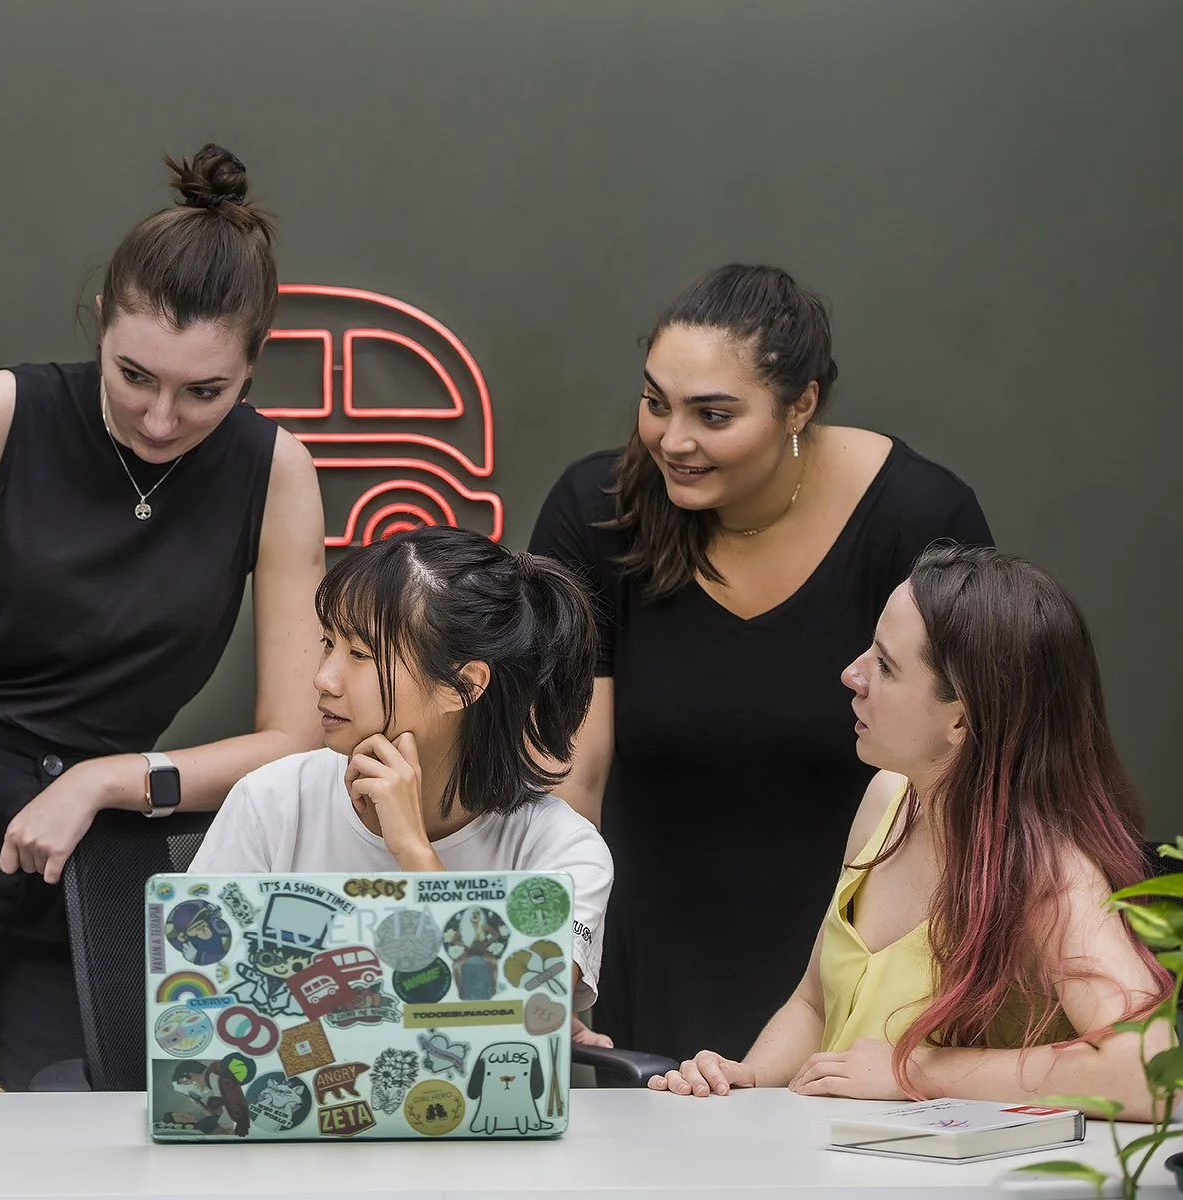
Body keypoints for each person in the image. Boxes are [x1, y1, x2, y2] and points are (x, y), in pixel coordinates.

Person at [0, 144, 325, 1088]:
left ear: (252, 366)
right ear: (102, 321)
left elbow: (297, 737)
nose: (160, 419)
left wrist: (113, 779)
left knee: (76, 1118)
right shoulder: (5, 411)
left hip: (100, 836)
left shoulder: (274, 473)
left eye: (204, 392)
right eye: (135, 376)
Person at [529, 264, 992, 1060]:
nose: (674, 440)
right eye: (656, 403)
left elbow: (961, 772)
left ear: (800, 404)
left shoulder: (919, 517)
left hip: (849, 975)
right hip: (645, 965)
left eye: (713, 415)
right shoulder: (595, 512)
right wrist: (553, 971)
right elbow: (573, 772)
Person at [651, 545, 1169, 1116]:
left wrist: (918, 1069)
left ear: (961, 719)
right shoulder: (889, 799)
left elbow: (1152, 1072)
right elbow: (815, 1006)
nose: (852, 675)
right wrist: (745, 1078)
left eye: (886, 665)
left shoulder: (1051, 871)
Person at [190, 526, 614, 1029]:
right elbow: (196, 1003)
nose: (323, 678)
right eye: (328, 643)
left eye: (360, 655)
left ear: (463, 685)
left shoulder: (561, 849)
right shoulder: (272, 800)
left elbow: (518, 1019)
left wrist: (413, 852)